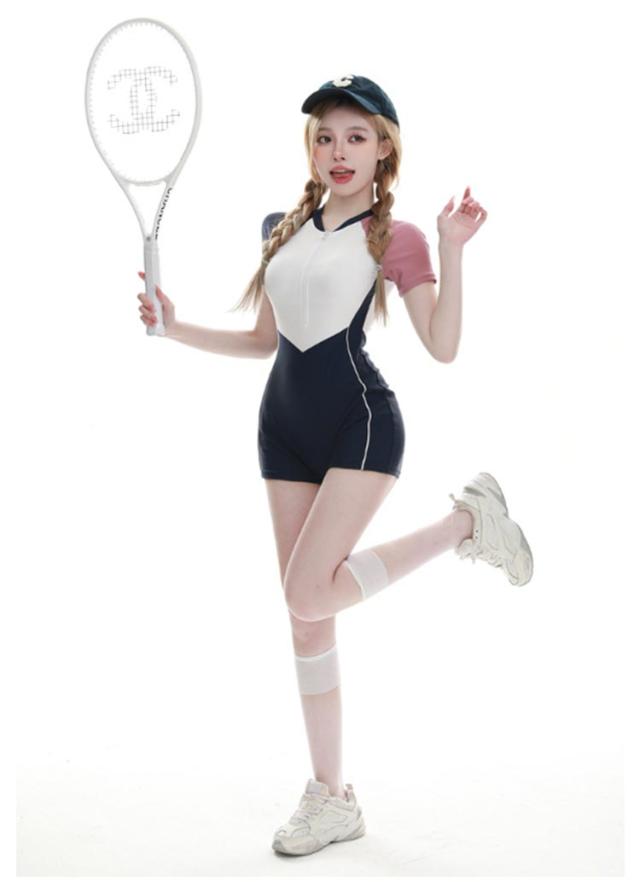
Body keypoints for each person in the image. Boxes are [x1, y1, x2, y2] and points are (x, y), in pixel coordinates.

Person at [136, 73, 534, 857]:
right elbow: (264, 341)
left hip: (361, 426)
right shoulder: (279, 227)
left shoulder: (397, 237)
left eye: (357, 136)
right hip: (281, 433)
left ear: (385, 149)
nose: (339, 150)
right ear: (310, 148)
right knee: (306, 615)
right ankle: (332, 796)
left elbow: (443, 346)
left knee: (306, 590)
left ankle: (465, 523)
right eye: (325, 136)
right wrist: (175, 327)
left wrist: (452, 251)